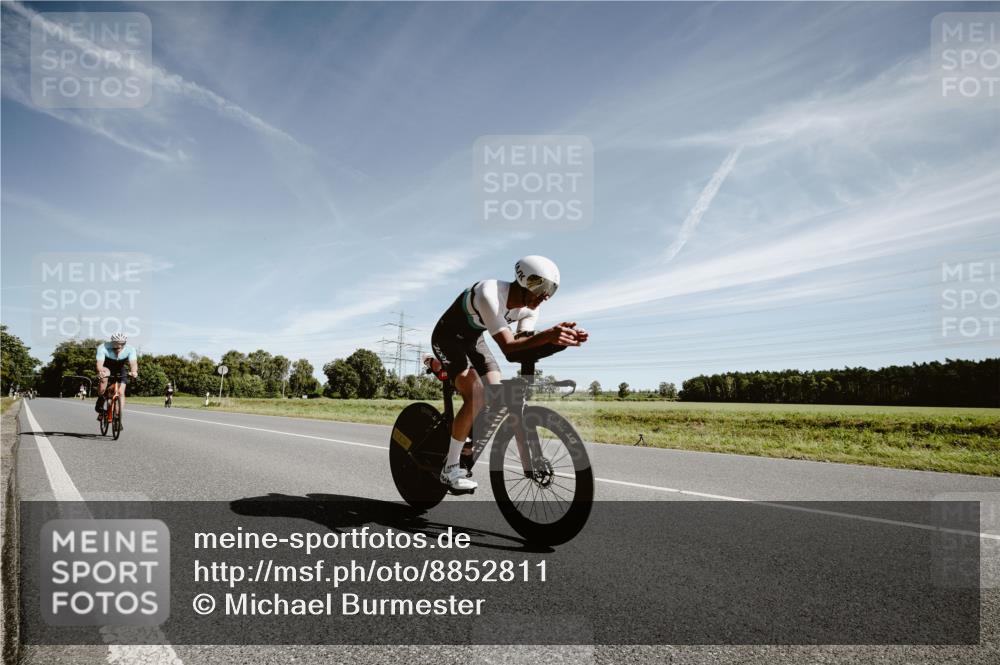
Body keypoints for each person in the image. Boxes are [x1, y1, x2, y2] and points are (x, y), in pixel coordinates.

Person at [430, 255, 587, 492]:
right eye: (542, 287)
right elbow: (508, 347)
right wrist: (548, 335)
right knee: (478, 394)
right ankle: (450, 468)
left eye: (551, 291)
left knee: (495, 393)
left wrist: (558, 342)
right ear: (524, 280)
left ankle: (465, 435)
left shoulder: (529, 311)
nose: (545, 296)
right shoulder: (489, 293)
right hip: (448, 338)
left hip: (473, 339)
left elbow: (522, 350)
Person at [95, 332, 139, 423]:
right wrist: (100, 371)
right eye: (116, 344)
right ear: (112, 342)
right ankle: (100, 398)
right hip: (106, 366)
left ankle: (118, 416)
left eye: (122, 344)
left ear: (125, 343)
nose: (119, 346)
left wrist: (134, 371)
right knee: (104, 376)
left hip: (120, 368)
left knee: (120, 392)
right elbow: (99, 364)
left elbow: (133, 363)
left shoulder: (130, 349)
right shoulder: (103, 347)